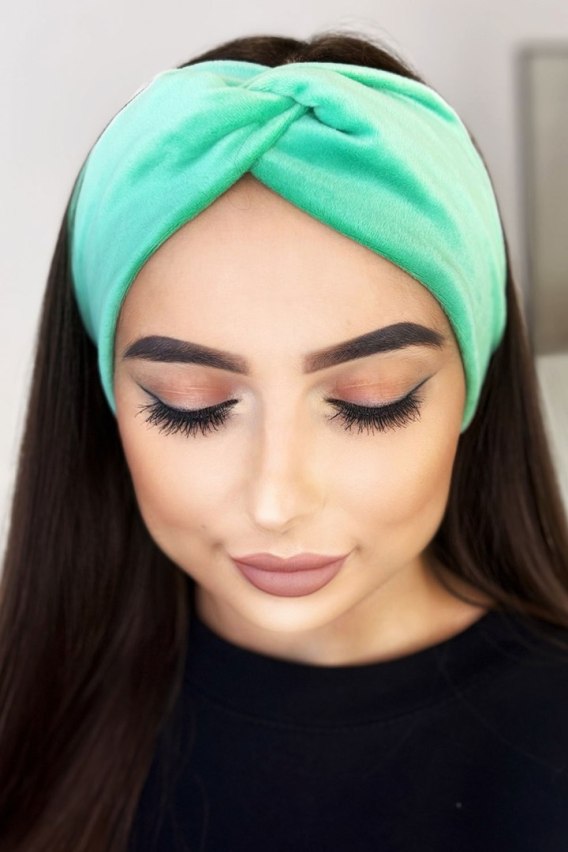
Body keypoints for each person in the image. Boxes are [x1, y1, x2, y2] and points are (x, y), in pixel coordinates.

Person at [1, 29, 568, 852]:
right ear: (106, 402)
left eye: (371, 403)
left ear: (472, 389)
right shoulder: (25, 718)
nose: (277, 502)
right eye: (190, 408)